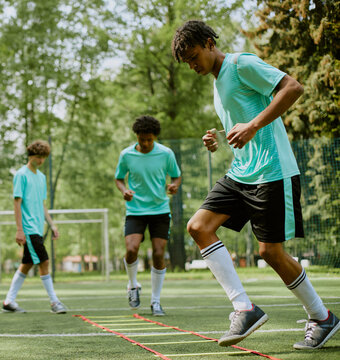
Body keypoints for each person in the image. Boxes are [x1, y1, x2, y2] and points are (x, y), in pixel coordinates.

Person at [171, 20, 339, 349]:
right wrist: (218, 138)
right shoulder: (217, 83)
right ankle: (244, 308)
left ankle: (322, 317)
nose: (193, 66)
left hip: (273, 172)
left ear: (209, 43)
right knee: (199, 227)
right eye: (187, 63)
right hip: (241, 172)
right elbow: (244, 120)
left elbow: (292, 87)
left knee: (270, 253)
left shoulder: (240, 63)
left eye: (194, 57)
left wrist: (251, 125)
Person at [115, 115, 181, 316]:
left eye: (149, 140)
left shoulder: (166, 153)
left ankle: (156, 301)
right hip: (135, 210)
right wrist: (124, 191)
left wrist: (174, 186)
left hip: (160, 210)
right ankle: (133, 285)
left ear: (155, 138)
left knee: (159, 253)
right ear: (136, 136)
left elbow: (176, 176)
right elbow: (119, 179)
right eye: (141, 139)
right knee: (131, 249)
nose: (145, 143)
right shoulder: (126, 155)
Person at [2, 140, 67, 314]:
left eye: (43, 158)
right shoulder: (21, 175)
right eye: (38, 157)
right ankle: (54, 302)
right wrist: (19, 229)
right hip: (29, 228)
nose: (41, 161)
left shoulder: (41, 177)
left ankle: (9, 300)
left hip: (38, 227)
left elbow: (42, 205)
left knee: (27, 264)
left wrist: (52, 225)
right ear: (31, 156)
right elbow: (17, 203)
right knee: (44, 262)